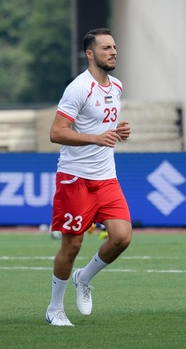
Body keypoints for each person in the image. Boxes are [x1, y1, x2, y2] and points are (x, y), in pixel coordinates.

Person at [45, 28, 132, 327]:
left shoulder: (117, 85)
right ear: (90, 54)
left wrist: (118, 132)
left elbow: (103, 126)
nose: (113, 52)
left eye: (114, 46)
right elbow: (56, 132)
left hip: (107, 176)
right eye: (106, 47)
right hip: (76, 178)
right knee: (72, 246)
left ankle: (85, 277)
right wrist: (96, 138)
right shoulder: (79, 88)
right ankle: (55, 308)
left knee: (122, 238)